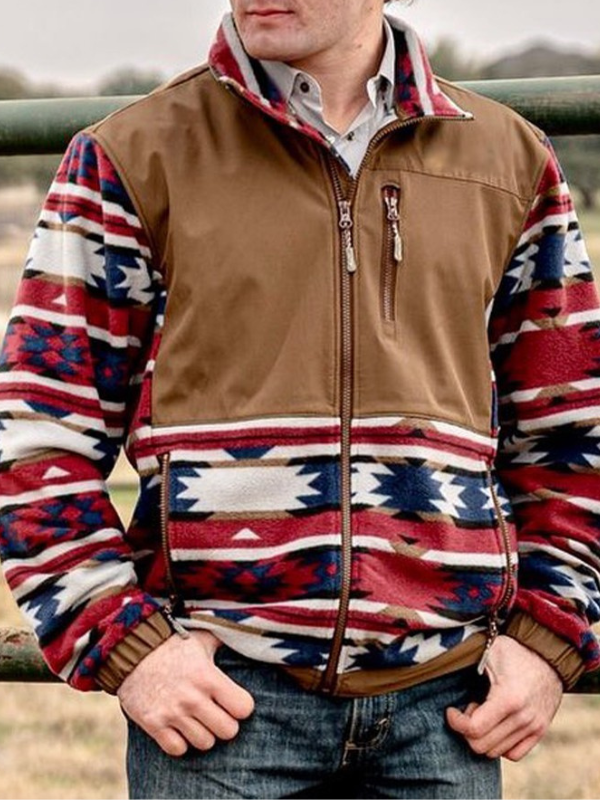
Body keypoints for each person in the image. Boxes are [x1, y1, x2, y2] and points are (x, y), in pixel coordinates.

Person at [1, 0, 599, 797]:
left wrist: (550, 636)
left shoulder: (508, 160)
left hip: (448, 707)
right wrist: (125, 646)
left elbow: (572, 432)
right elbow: (38, 435)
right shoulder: (132, 156)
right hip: (219, 706)